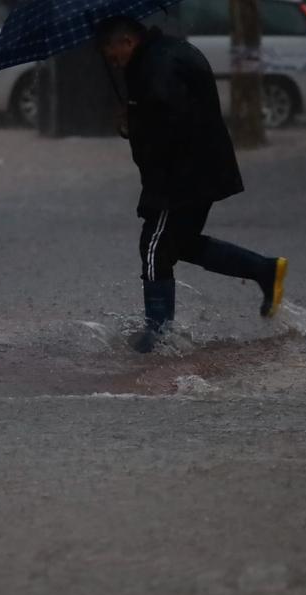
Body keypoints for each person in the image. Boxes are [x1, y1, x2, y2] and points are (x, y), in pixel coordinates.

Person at [95, 16, 288, 353]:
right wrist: (132, 117)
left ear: (127, 42)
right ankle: (264, 270)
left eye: (113, 54)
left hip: (181, 176)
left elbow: (170, 122)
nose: (113, 61)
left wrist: (135, 121)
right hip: (200, 170)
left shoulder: (156, 67)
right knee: (178, 244)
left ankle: (158, 335)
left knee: (154, 247)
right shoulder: (167, 53)